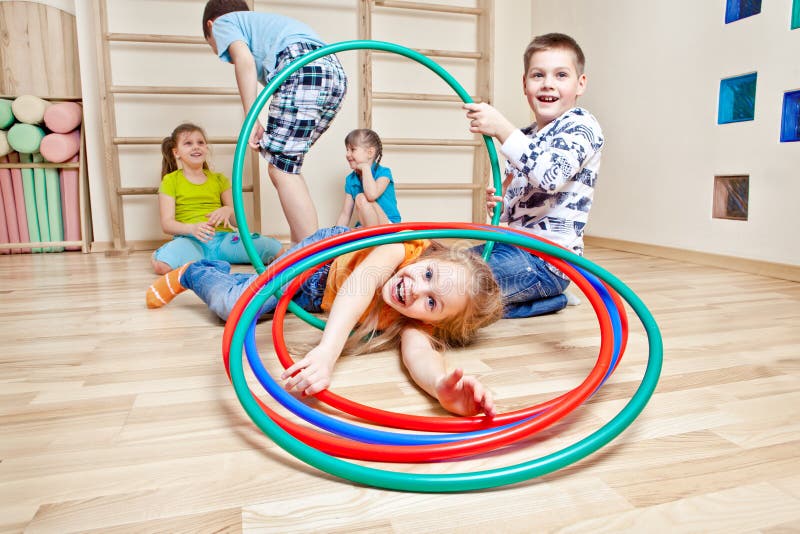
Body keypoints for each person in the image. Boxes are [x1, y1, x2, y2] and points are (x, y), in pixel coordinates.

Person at [146, 226, 503, 416]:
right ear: (429, 255)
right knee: (233, 304)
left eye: (432, 302)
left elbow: (420, 356)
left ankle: (238, 266)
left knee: (253, 297)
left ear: (437, 321)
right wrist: (327, 353)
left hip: (316, 297)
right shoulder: (402, 249)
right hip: (322, 258)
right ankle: (194, 272)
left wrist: (441, 387)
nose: (416, 290)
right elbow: (358, 288)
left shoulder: (417, 323)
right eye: (427, 274)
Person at [463, 33, 604, 318]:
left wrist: (501, 127)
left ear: (580, 84)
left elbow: (551, 176)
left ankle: (549, 292)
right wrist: (500, 204)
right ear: (525, 84)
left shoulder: (581, 126)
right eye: (538, 75)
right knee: (450, 263)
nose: (548, 83)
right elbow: (513, 213)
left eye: (561, 75)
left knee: (455, 287)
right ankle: (547, 301)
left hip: (546, 263)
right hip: (513, 248)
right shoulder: (525, 137)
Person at [202, 0, 348, 245]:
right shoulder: (262, 29)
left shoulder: (223, 23)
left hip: (303, 70)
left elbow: (244, 62)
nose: (222, 53)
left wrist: (251, 119)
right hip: (334, 76)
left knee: (280, 168)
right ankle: (299, 250)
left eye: (213, 46)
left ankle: (309, 259)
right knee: (286, 167)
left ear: (211, 25)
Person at [151, 123, 282, 275]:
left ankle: (210, 261)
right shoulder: (170, 180)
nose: (196, 147)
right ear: (176, 152)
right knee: (162, 266)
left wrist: (228, 210)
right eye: (188, 143)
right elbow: (167, 224)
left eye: (200, 142)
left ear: (206, 148)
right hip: (191, 241)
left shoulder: (219, 179)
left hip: (224, 240)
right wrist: (191, 229)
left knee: (277, 251)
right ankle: (161, 254)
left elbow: (236, 221)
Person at [334, 129, 401, 228]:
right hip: (366, 225)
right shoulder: (350, 179)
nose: (347, 154)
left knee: (361, 197)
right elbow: (345, 214)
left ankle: (371, 237)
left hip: (388, 225)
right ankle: (367, 235)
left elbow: (371, 195)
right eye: (347, 150)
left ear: (370, 153)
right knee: (346, 233)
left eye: (352, 149)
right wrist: (335, 234)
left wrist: (365, 169)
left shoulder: (384, 173)